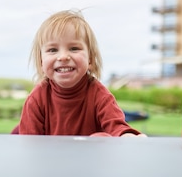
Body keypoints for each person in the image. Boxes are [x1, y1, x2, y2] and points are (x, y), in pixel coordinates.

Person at [17, 9, 146, 137]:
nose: (63, 57)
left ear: (90, 59)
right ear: (41, 62)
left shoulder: (99, 95)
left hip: (89, 157)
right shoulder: (37, 99)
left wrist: (127, 136)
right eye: (52, 50)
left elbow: (117, 127)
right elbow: (29, 144)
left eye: (74, 48)